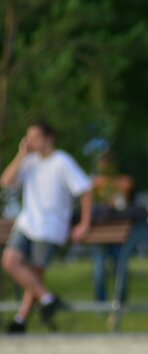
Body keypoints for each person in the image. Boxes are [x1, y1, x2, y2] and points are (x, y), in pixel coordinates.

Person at [0, 120, 93, 333]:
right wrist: (21, 155)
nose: (31, 141)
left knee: (35, 273)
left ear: (48, 138)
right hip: (26, 223)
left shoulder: (62, 162)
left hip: (51, 226)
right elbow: (5, 181)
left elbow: (85, 190)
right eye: (28, 137)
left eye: (35, 137)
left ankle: (21, 321)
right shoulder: (29, 162)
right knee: (10, 261)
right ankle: (48, 299)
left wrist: (84, 224)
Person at [91, 150, 135, 302]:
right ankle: (103, 303)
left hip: (119, 234)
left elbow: (125, 203)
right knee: (101, 271)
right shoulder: (96, 184)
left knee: (118, 269)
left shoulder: (123, 182)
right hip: (102, 235)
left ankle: (119, 302)